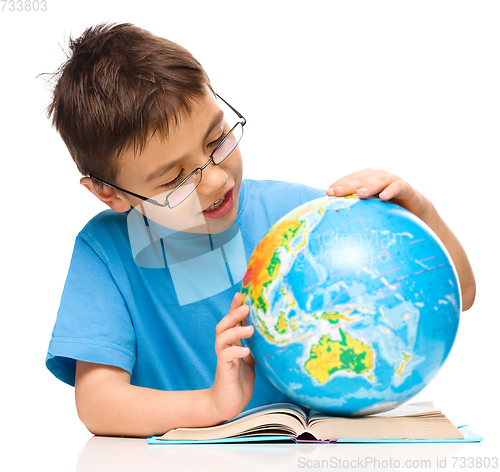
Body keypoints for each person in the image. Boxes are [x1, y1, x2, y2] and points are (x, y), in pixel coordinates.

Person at [44, 22, 476, 438]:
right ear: (109, 194)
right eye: (173, 178)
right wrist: (212, 406)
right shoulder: (105, 252)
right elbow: (98, 404)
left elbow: (460, 294)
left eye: (217, 140)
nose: (215, 180)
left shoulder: (303, 221)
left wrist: (421, 213)